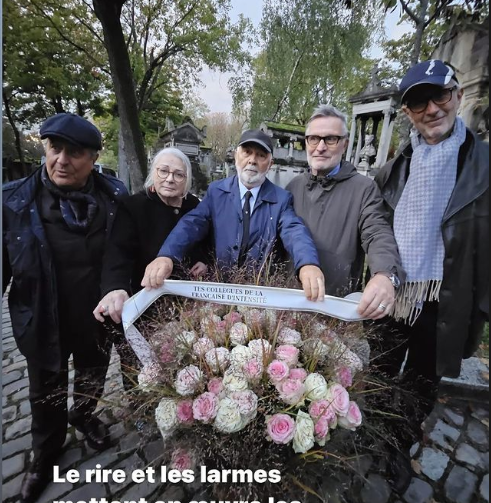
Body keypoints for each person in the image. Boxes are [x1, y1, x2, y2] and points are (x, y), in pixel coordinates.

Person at [2, 113, 127, 503]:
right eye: (55, 149)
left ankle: (85, 415)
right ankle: (45, 453)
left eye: (75, 152)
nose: (62, 160)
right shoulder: (14, 200)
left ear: (92, 158)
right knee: (44, 391)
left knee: (92, 374)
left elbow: (124, 253)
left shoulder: (115, 198)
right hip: (42, 316)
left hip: (95, 315)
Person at [375, 59, 489, 490]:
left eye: (439, 95)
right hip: (394, 291)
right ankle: (375, 433)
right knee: (381, 371)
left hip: (445, 296)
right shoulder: (393, 168)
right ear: (407, 112)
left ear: (458, 96)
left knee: (421, 381)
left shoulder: (483, 164)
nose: (431, 109)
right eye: (418, 102)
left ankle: (398, 446)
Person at [142, 129, 325, 300]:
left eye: (261, 156)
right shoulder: (216, 192)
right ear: (236, 155)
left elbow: (294, 231)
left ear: (270, 164)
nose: (252, 160)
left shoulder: (281, 199)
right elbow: (192, 224)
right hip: (218, 292)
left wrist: (307, 263)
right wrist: (167, 255)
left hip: (259, 296)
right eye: (247, 152)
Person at [93, 148, 208, 385]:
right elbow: (118, 253)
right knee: (141, 372)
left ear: (187, 180)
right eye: (164, 171)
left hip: (183, 306)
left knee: (183, 365)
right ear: (153, 173)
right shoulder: (133, 206)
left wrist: (205, 259)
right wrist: (115, 286)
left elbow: (207, 238)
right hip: (144, 303)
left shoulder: (194, 205)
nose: (170, 178)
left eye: (178, 174)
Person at [287, 105, 403, 319]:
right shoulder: (293, 187)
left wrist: (385, 274)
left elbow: (377, 233)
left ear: (344, 144)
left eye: (330, 139)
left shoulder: (363, 189)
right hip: (291, 304)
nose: (320, 147)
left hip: (336, 307)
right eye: (313, 138)